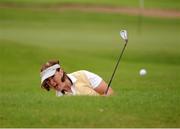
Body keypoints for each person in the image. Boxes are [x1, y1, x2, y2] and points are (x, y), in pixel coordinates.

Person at [40, 60, 113, 96]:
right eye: (48, 81)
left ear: (61, 71)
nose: (52, 83)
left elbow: (110, 92)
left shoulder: (84, 75)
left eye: (53, 77)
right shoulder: (60, 99)